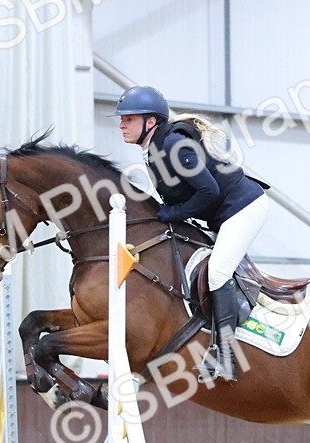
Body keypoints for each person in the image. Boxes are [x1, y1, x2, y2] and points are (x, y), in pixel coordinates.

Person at [111, 85, 269, 382]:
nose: (121, 123)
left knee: (218, 273)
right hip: (223, 212)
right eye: (122, 118)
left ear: (151, 122)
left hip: (244, 208)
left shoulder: (173, 146)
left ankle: (226, 357)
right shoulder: (154, 149)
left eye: (129, 118)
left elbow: (208, 190)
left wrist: (171, 214)